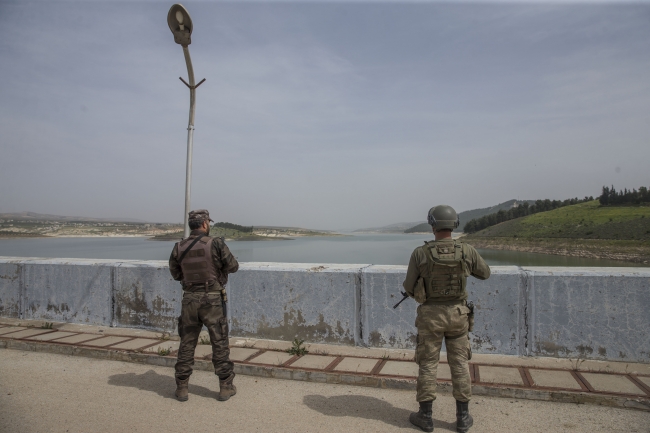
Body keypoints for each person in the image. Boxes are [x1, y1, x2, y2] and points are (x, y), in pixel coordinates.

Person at [402, 205, 491, 433]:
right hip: (458, 315)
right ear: (455, 224)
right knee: (460, 364)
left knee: (428, 364)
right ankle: (463, 418)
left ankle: (426, 417)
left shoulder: (420, 253)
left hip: (430, 316)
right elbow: (485, 273)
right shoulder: (467, 250)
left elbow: (408, 287)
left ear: (432, 224)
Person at [168, 209, 240, 402]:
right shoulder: (216, 243)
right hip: (212, 300)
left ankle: (182, 387)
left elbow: (176, 275)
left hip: (189, 299)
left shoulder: (179, 247)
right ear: (206, 224)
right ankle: (226, 386)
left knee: (187, 343)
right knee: (219, 343)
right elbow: (233, 266)